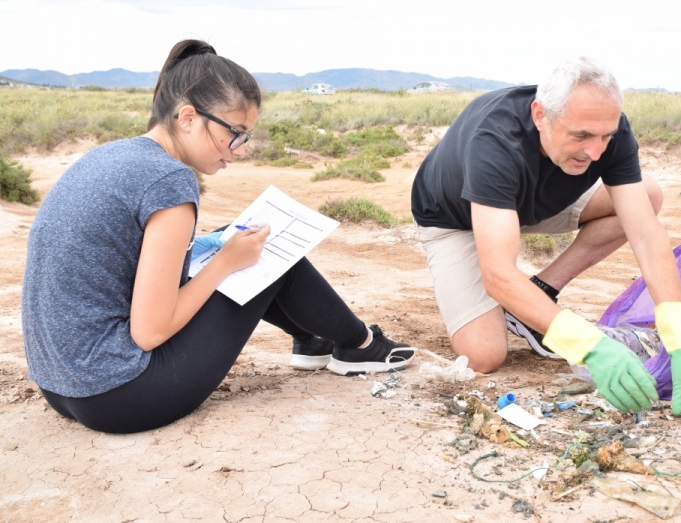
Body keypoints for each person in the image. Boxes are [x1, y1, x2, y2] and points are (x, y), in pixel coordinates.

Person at [21, 39, 415, 434]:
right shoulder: (169, 181)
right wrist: (226, 262)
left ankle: (310, 341)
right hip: (121, 395)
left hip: (60, 385)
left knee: (234, 239)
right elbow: (150, 331)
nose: (239, 150)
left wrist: (221, 247)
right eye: (235, 133)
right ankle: (361, 345)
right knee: (261, 250)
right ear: (188, 117)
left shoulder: (110, 155)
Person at [411, 56, 681, 422]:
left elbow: (646, 235)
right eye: (581, 136)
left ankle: (540, 295)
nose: (596, 151)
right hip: (455, 219)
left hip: (533, 205)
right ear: (541, 116)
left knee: (645, 197)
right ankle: (526, 311)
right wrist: (588, 345)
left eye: (606, 136)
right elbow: (498, 274)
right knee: (483, 356)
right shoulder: (495, 140)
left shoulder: (606, 131)